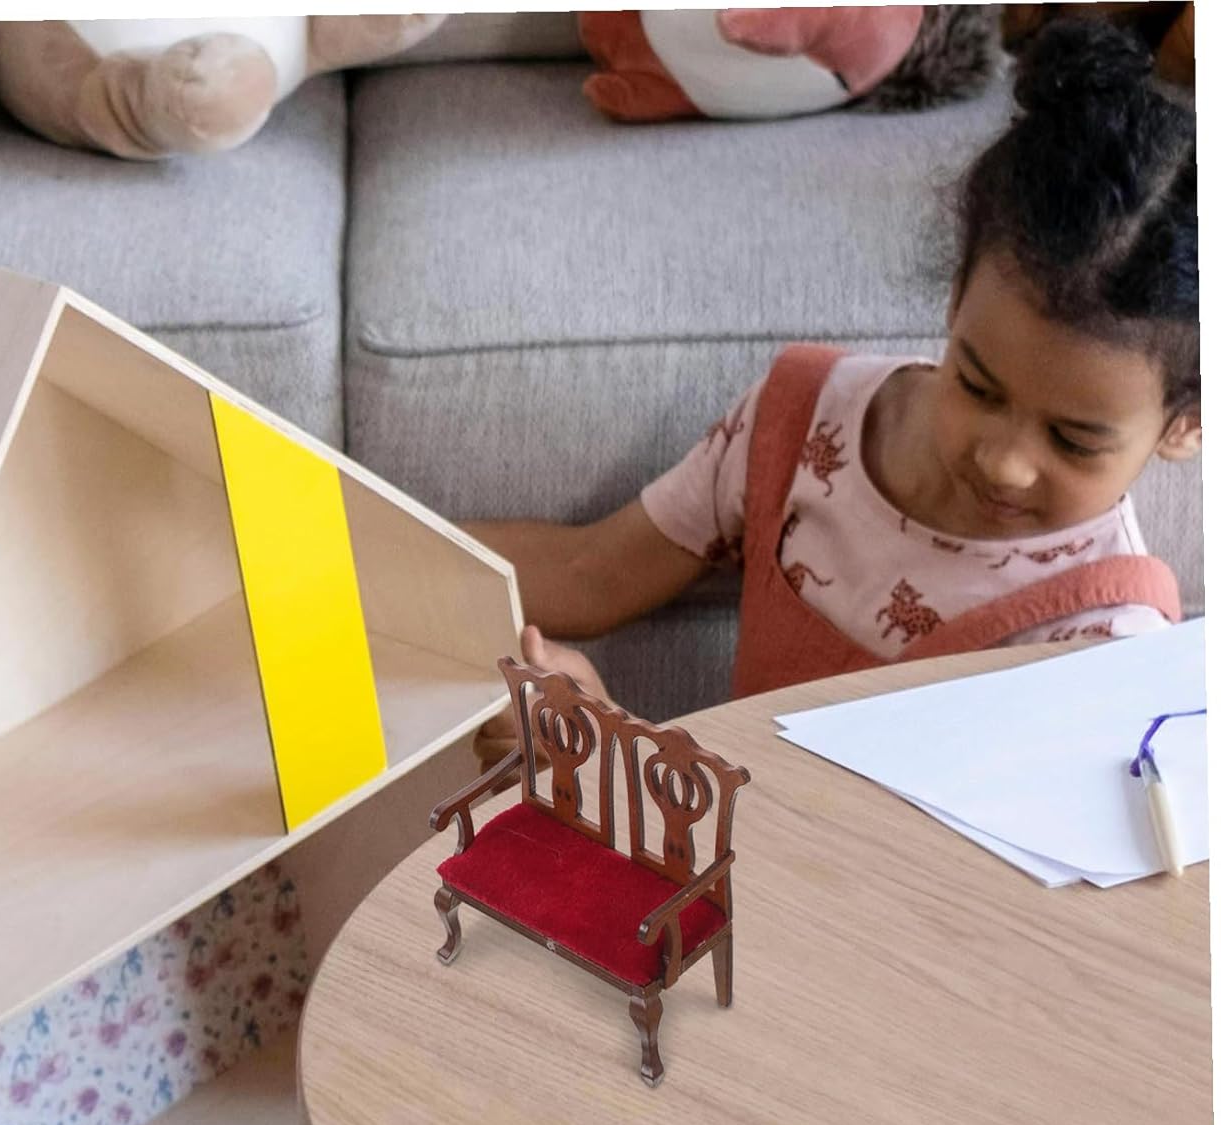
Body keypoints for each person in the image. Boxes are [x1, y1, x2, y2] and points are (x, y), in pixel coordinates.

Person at [469, 19, 1199, 759]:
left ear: (1191, 422)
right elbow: (592, 572)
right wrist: (390, 559)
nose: (1003, 462)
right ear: (955, 296)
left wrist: (612, 760)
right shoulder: (804, 421)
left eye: (1072, 440)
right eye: (978, 386)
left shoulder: (1108, 650)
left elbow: (887, 842)